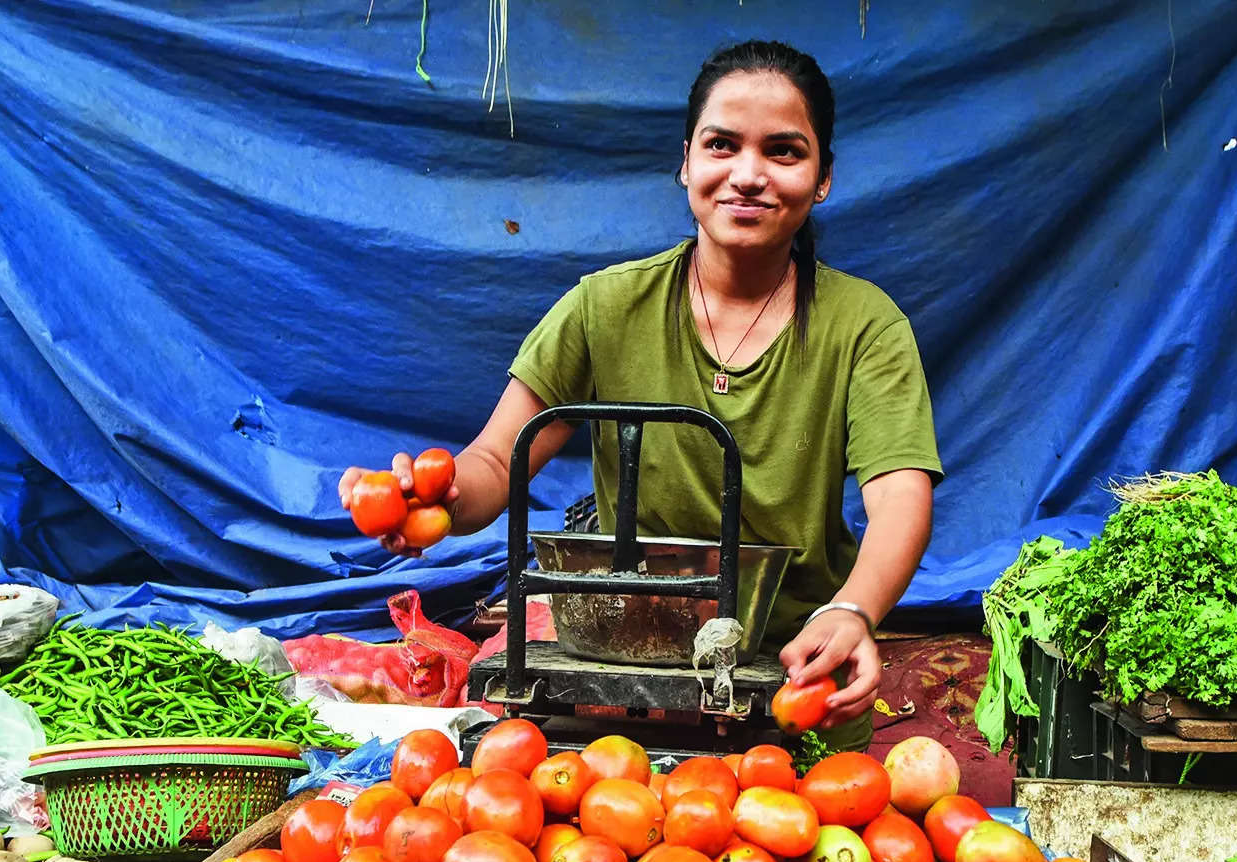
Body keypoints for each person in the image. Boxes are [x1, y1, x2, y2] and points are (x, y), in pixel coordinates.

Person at [358, 39, 941, 752]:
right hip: (621, 679)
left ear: (822, 178)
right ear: (686, 162)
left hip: (795, 678)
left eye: (784, 152)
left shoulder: (865, 325)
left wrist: (852, 611)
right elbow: (496, 461)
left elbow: (900, 496)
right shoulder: (604, 308)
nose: (748, 175)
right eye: (722, 145)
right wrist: (433, 499)